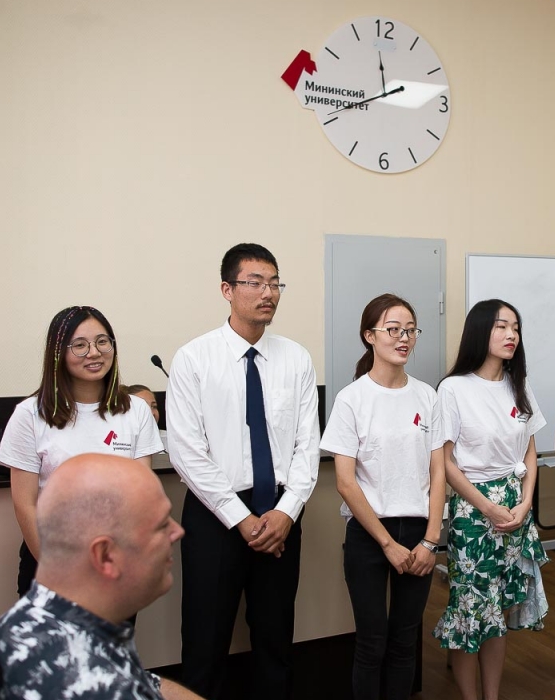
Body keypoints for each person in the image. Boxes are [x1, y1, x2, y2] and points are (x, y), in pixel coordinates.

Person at [165, 243, 320, 699]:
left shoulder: (297, 359)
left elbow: (307, 446)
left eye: (275, 283)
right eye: (255, 282)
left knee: (275, 641)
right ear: (227, 290)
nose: (268, 292)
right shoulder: (194, 359)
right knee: (204, 643)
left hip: (280, 516)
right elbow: (187, 453)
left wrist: (286, 512)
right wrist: (241, 518)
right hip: (216, 519)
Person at [0, 453, 199, 700]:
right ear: (105, 555)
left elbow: (140, 681)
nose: (177, 532)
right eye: (162, 526)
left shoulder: (39, 618)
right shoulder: (94, 685)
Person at [320, 294, 446, 700]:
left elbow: (437, 472)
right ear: (369, 336)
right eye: (393, 329)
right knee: (372, 642)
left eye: (410, 329)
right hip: (370, 537)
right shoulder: (351, 399)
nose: (404, 337)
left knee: (405, 640)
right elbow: (345, 482)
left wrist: (430, 541)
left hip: (419, 534)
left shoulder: (427, 396)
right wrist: (388, 544)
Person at [0, 306, 162, 595]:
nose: (94, 352)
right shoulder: (29, 415)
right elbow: (25, 505)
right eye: (80, 345)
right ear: (58, 353)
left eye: (102, 341)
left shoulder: (136, 410)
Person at [433, 299, 548, 700]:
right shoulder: (453, 388)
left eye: (515, 327)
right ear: (481, 331)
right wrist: (486, 507)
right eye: (501, 327)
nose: (511, 335)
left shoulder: (520, 384)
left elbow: (530, 451)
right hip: (473, 511)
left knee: (498, 613)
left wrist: (527, 502)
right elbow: (445, 462)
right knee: (471, 612)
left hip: (516, 506)